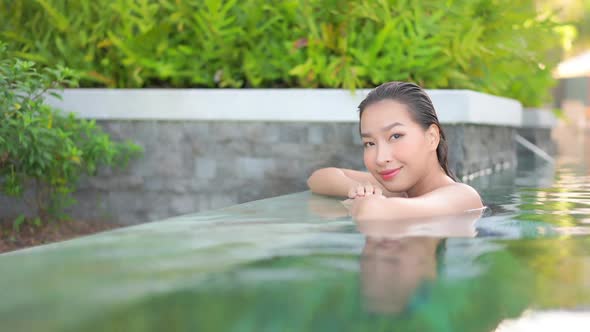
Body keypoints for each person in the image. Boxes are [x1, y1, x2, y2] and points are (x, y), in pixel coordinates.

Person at [306, 81, 484, 221]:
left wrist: (365, 203)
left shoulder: (463, 197)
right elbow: (318, 178)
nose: (381, 158)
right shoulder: (397, 188)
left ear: (432, 137)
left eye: (396, 136)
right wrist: (358, 190)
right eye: (369, 143)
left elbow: (372, 212)